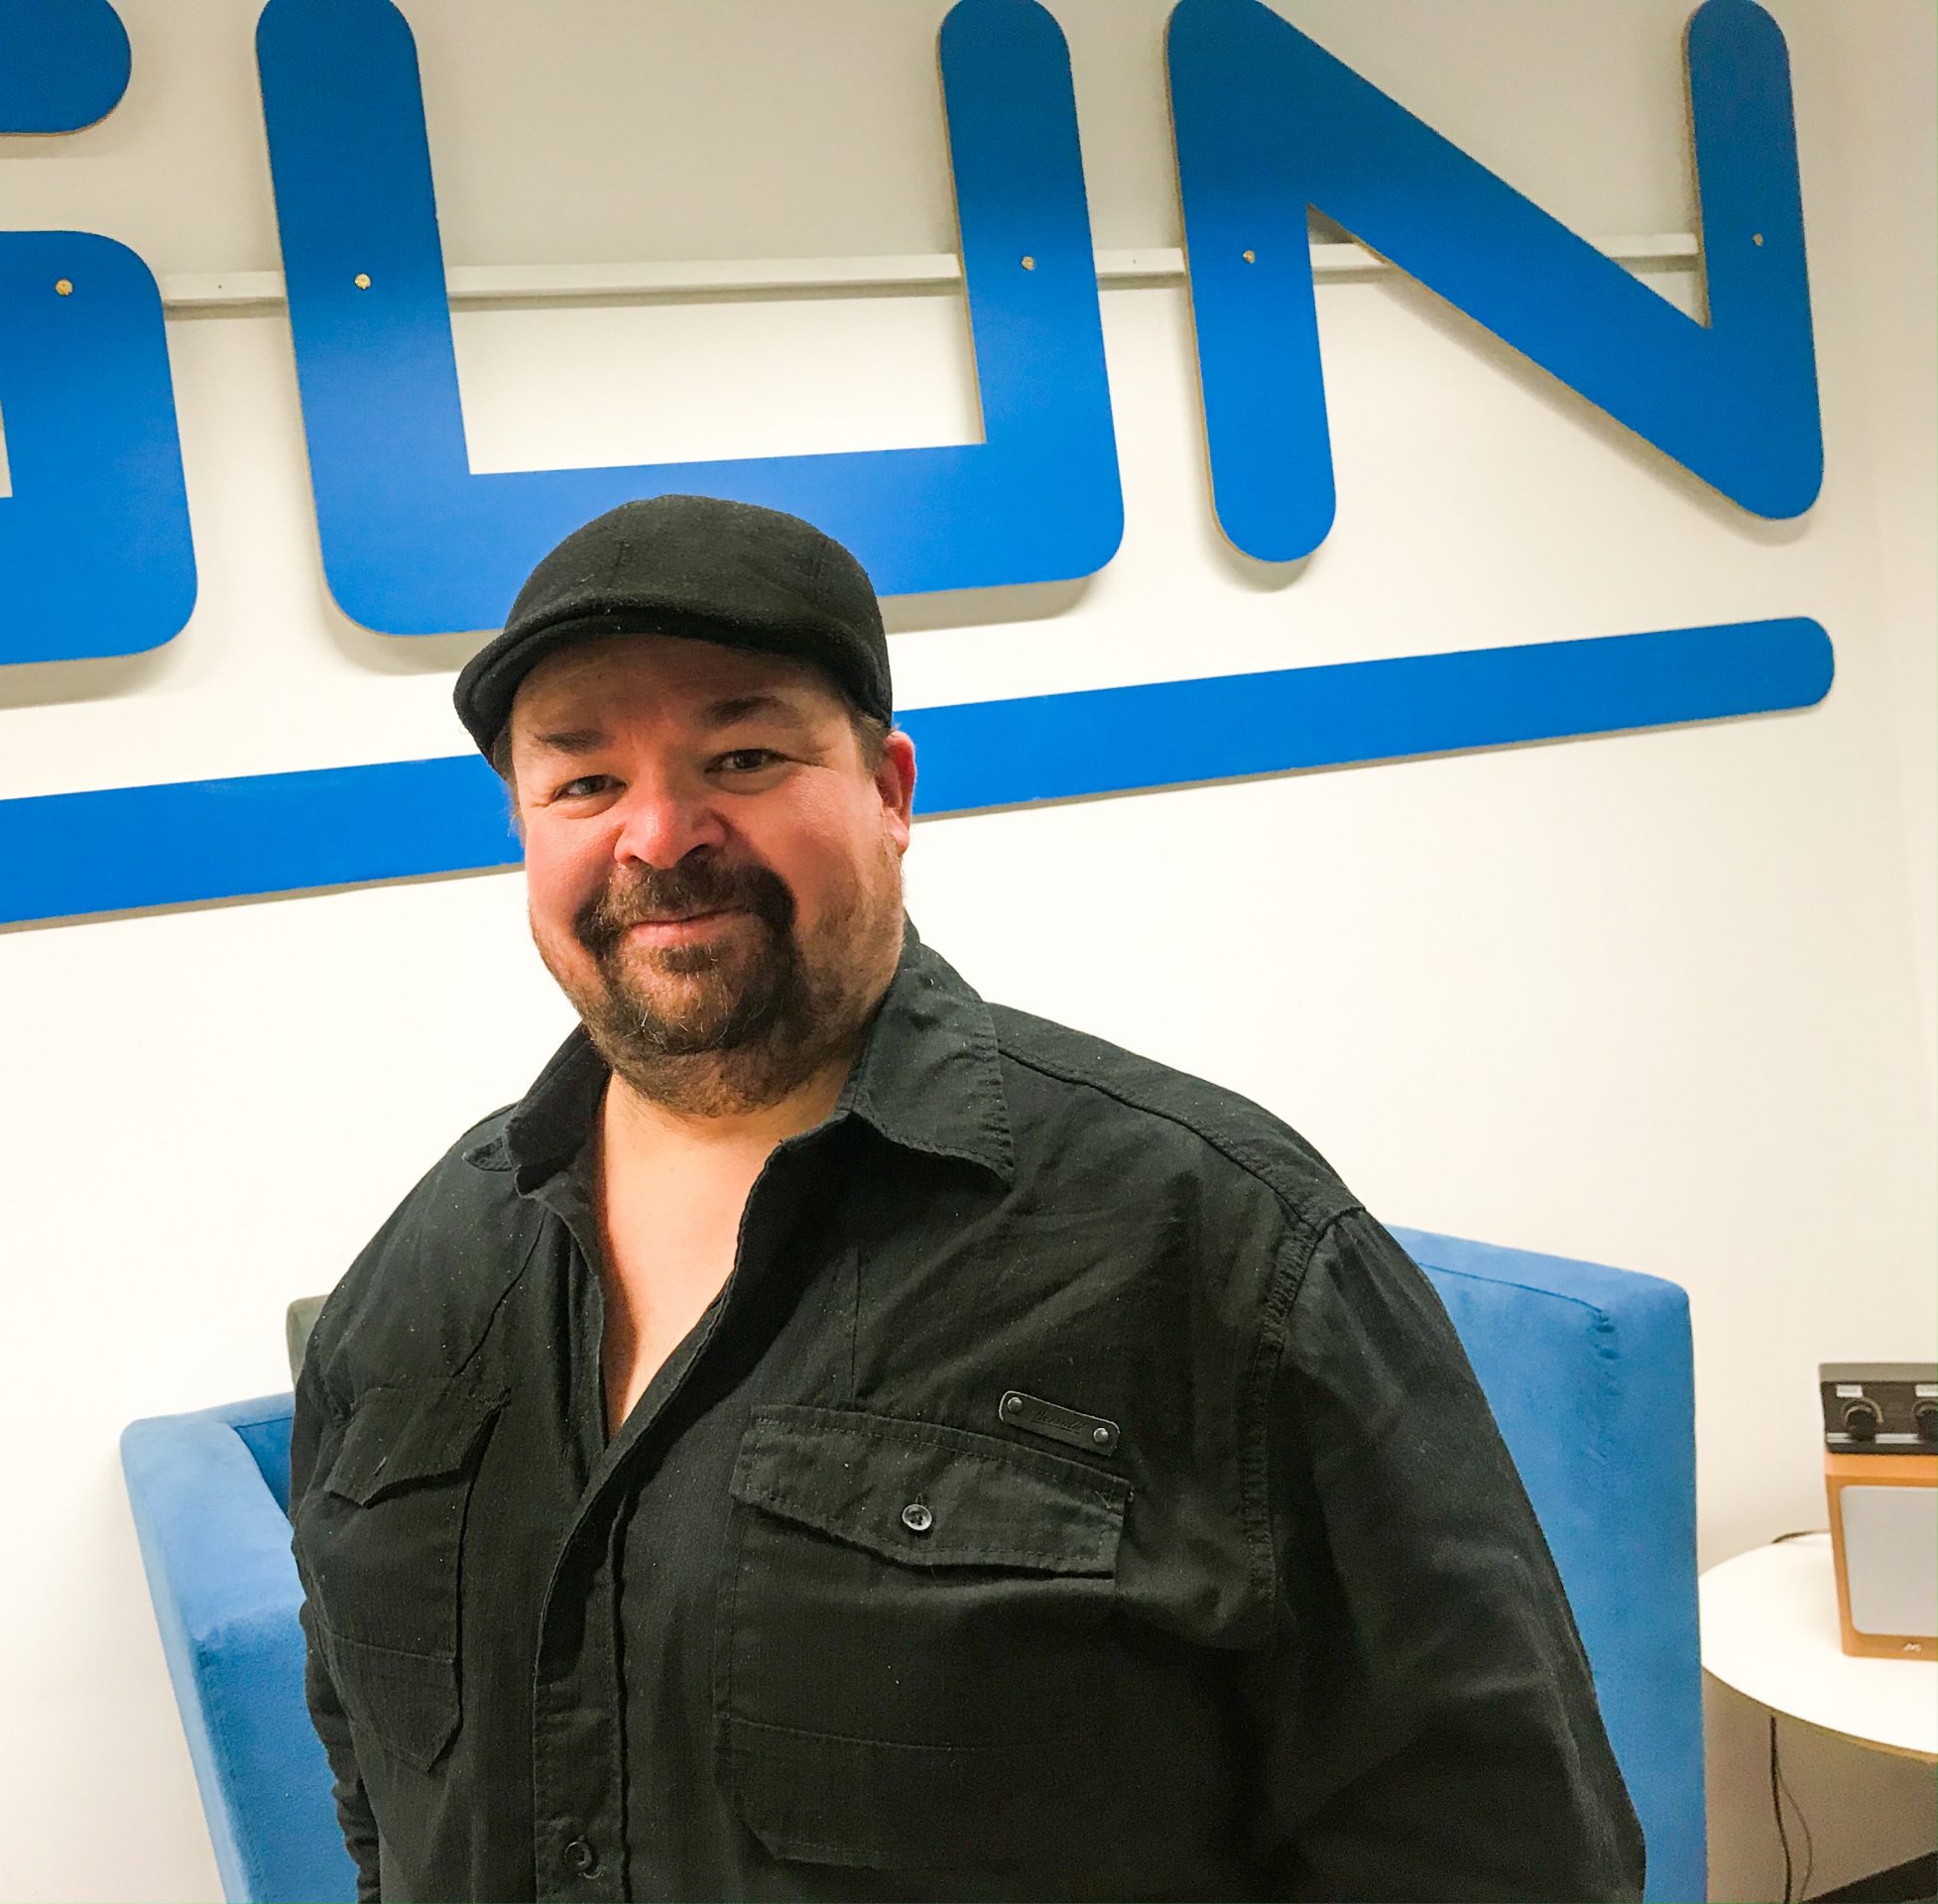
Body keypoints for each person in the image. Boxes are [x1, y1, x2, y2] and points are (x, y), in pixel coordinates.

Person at [287, 493, 1644, 1901]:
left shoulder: (1224, 1245)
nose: (661, 835)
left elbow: (1499, 1853)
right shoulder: (416, 1283)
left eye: (743, 757)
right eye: (583, 783)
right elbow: (381, 1803)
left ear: (889, 792)